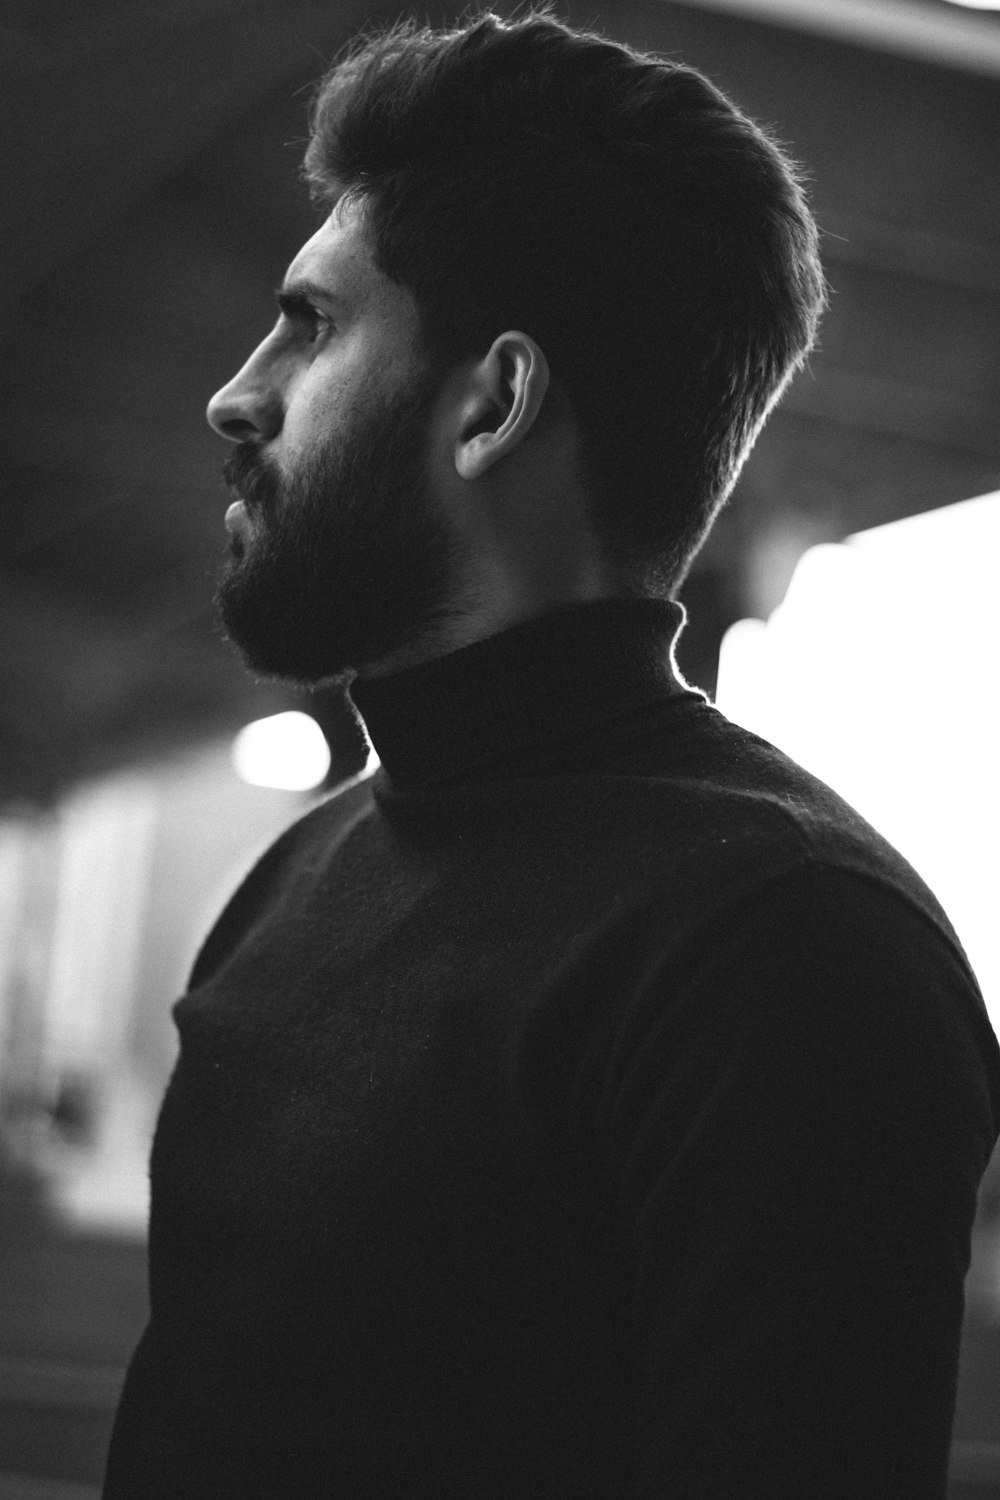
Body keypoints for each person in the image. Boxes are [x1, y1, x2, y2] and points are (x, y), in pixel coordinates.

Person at [102, 6, 1000, 1497]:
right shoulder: (303, 871)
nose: (236, 389)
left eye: (313, 321)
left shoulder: (789, 947)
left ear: (496, 403)